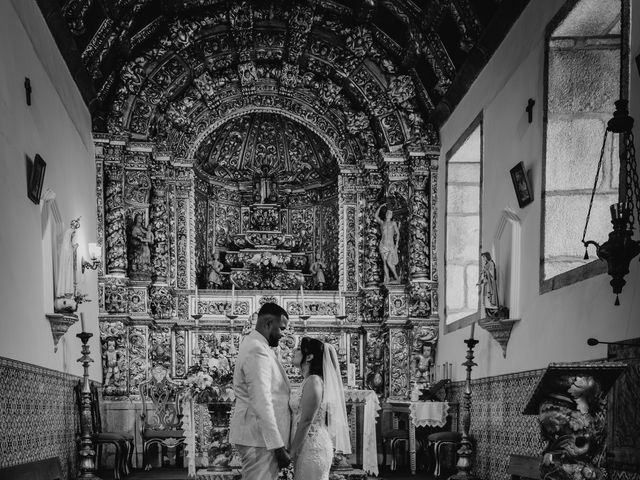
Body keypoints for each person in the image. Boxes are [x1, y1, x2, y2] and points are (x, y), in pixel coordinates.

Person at [229, 303, 292, 480]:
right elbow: (261, 400)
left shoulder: (258, 345)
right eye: (281, 328)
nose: (282, 334)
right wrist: (278, 446)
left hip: (259, 437)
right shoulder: (257, 349)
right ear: (268, 323)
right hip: (259, 439)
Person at [289, 337, 351, 480]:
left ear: (309, 356)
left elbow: (306, 421)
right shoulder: (308, 380)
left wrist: (290, 452)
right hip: (304, 445)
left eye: (298, 349)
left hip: (312, 448)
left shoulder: (314, 381)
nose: (293, 351)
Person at [375, 204, 400, 283]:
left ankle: (396, 277)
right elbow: (376, 216)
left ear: (392, 215)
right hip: (383, 244)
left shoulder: (393, 223)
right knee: (385, 262)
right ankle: (387, 279)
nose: (388, 214)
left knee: (389, 262)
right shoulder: (382, 223)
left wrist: (396, 245)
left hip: (390, 244)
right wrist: (380, 207)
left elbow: (398, 233)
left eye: (390, 213)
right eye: (387, 213)